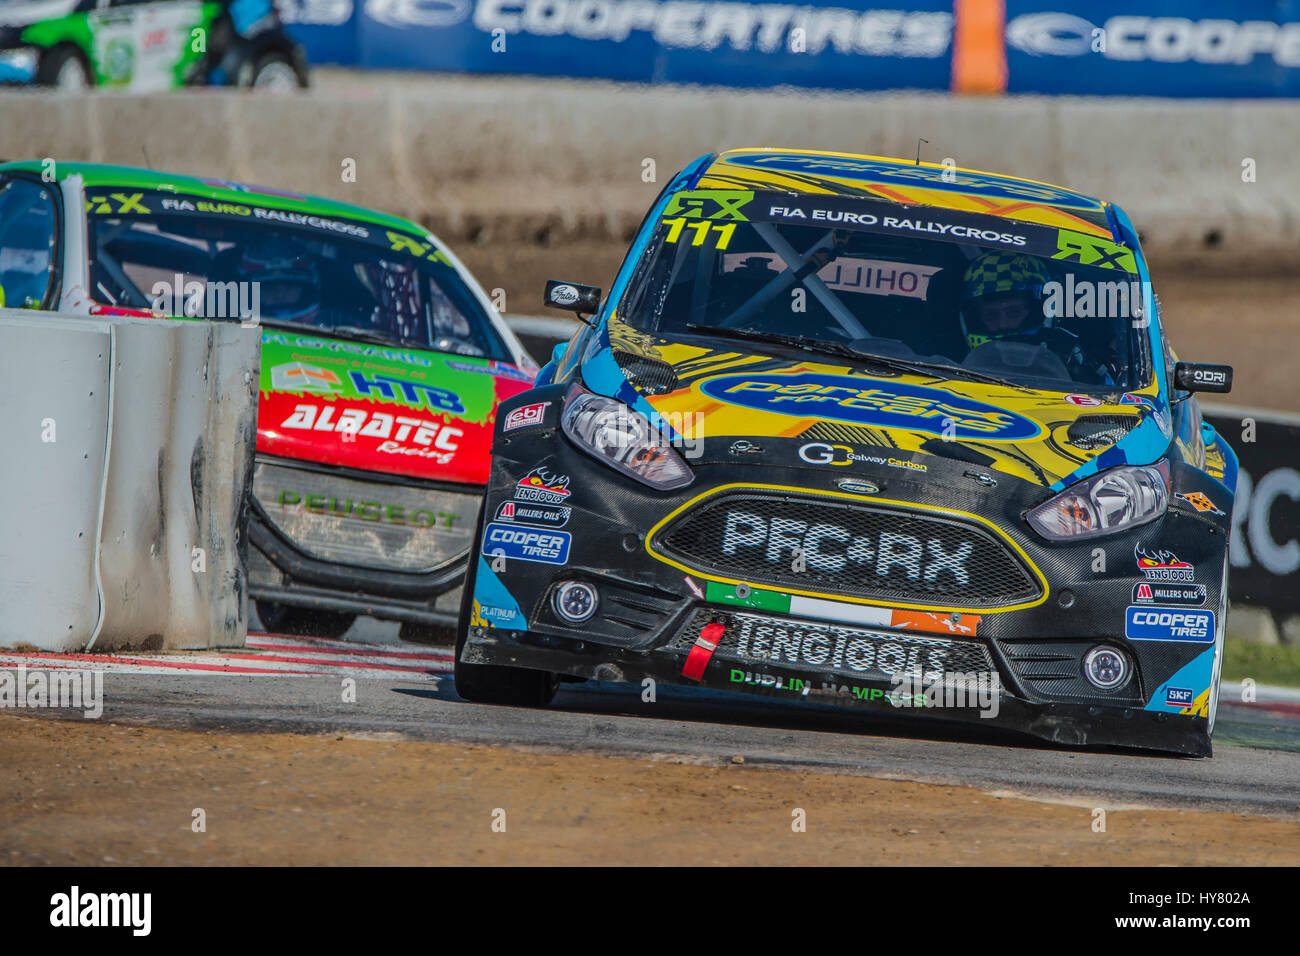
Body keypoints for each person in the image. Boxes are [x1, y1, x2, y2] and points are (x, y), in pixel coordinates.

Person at [960, 250, 1114, 384]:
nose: (1004, 324)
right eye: (991, 315)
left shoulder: (1070, 353)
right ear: (974, 319)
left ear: (1040, 311)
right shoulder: (944, 368)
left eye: (1014, 312)